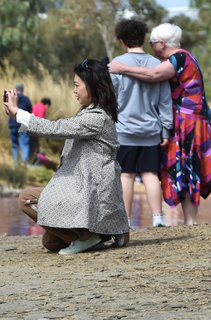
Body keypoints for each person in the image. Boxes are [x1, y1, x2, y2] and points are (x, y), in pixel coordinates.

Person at [108, 23, 211, 226]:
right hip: (177, 125)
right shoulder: (171, 60)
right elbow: (162, 96)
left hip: (186, 125)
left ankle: (130, 220)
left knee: (130, 174)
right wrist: (164, 129)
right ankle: (167, 218)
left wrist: (121, 68)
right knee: (171, 171)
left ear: (161, 43)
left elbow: (152, 76)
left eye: (154, 43)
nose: (152, 47)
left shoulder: (176, 58)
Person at [11, 59, 129, 254]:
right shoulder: (92, 112)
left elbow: (56, 128)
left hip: (90, 192)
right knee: (50, 243)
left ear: (92, 85)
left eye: (77, 85)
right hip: (84, 189)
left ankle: (89, 236)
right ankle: (104, 232)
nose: (74, 90)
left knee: (26, 199)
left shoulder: (96, 117)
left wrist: (19, 114)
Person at [110, 19, 173, 228]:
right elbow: (165, 101)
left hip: (124, 130)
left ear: (122, 41)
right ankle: (157, 218)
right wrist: (166, 129)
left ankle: (126, 220)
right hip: (151, 130)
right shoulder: (158, 65)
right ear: (144, 39)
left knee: (126, 175)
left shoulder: (116, 65)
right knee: (150, 173)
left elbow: (111, 100)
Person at [8, 83, 33, 164]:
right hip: (22, 124)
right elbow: (30, 111)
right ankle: (24, 163)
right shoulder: (26, 99)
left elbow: (8, 111)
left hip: (12, 124)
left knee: (14, 145)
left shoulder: (12, 99)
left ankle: (16, 164)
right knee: (24, 144)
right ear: (23, 90)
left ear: (16, 89)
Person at [29, 98, 51, 163]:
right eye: (48, 106)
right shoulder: (42, 108)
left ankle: (31, 159)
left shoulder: (36, 105)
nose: (47, 108)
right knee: (34, 146)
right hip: (34, 129)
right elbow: (40, 121)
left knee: (31, 145)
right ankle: (32, 161)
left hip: (29, 127)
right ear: (47, 104)